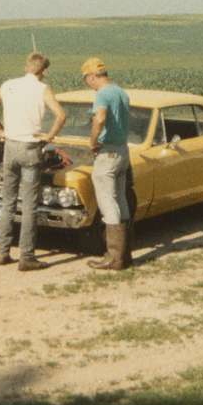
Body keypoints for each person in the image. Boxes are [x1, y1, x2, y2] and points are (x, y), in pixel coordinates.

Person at [0, 53, 66, 271]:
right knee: (29, 205)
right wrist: (50, 136)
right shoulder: (43, 89)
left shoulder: (9, 85)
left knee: (7, 201)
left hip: (10, 148)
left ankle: (3, 251)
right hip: (30, 150)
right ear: (44, 70)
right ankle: (27, 256)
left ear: (26, 66)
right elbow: (61, 115)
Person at [81, 57, 133, 270]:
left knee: (107, 202)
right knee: (120, 200)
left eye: (87, 79)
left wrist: (93, 141)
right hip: (122, 151)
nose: (88, 83)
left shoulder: (102, 94)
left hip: (107, 152)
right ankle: (125, 253)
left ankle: (113, 257)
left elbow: (100, 118)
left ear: (92, 76)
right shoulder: (120, 91)